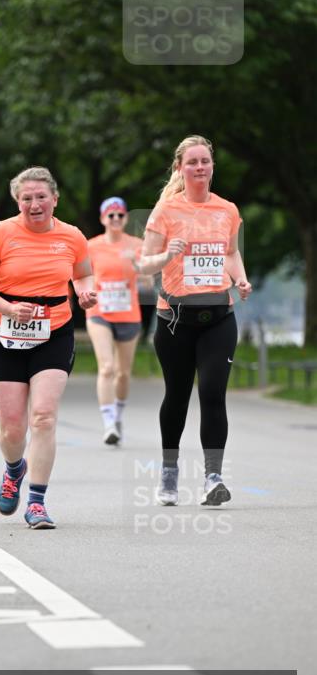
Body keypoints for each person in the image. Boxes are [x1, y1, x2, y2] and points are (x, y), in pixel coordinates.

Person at [0, 167, 97, 528]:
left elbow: (84, 273)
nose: (34, 204)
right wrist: (9, 308)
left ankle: (37, 502)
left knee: (43, 417)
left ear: (55, 199)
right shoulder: (2, 233)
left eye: (41, 197)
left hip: (54, 332)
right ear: (17, 202)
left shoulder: (72, 236)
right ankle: (14, 470)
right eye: (26, 198)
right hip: (4, 332)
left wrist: (86, 291)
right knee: (12, 427)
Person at [136, 135, 252, 506]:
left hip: (219, 317)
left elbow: (230, 253)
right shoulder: (166, 211)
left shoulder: (227, 210)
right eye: (192, 162)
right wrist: (167, 255)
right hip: (175, 320)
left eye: (205, 161)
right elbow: (143, 264)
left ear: (212, 166)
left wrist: (241, 278)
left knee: (213, 393)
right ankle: (169, 474)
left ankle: (212, 477)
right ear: (180, 168)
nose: (199, 168)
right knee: (178, 395)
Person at [85, 197, 143, 445]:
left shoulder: (137, 245)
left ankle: (118, 414)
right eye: (111, 215)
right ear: (102, 219)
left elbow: (151, 279)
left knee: (123, 374)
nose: (116, 219)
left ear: (126, 218)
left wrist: (136, 263)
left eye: (120, 215)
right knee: (107, 367)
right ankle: (109, 423)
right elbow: (81, 276)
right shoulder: (91, 247)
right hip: (100, 313)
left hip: (129, 314)